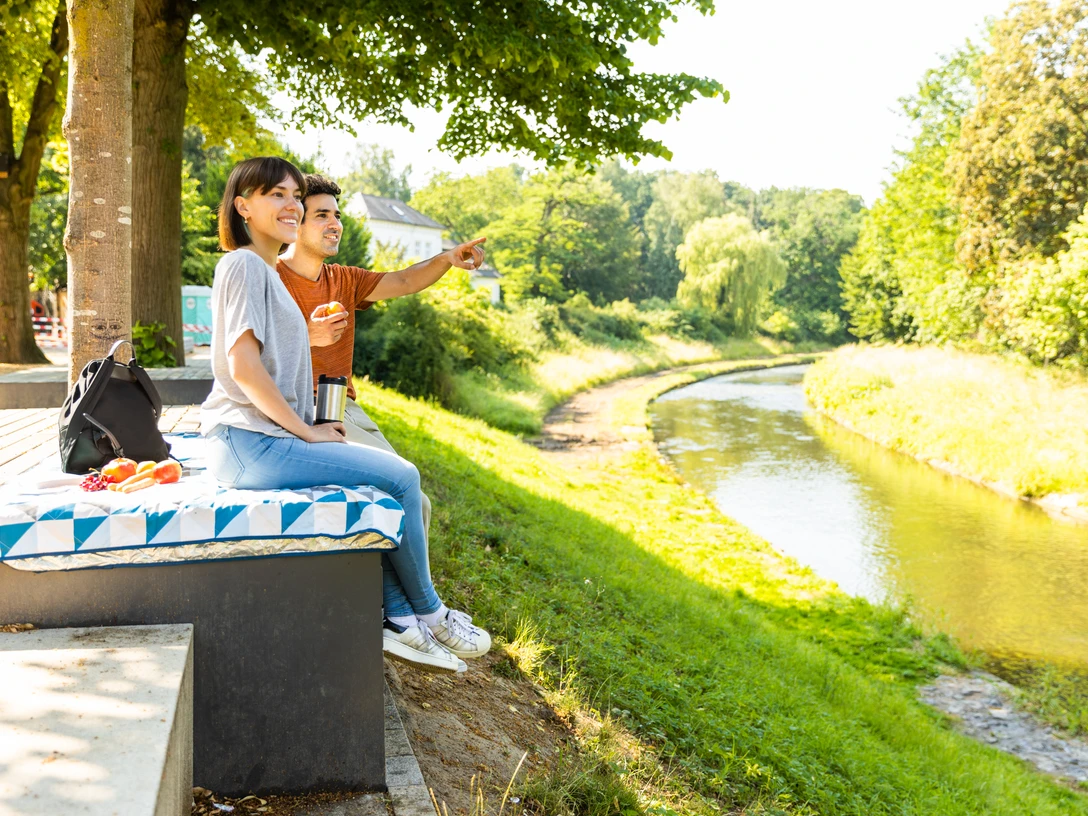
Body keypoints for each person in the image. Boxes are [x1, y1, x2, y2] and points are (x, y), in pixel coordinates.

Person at [200, 156, 490, 674]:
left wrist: (312, 418)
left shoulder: (262, 269)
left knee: (377, 492)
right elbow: (242, 368)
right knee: (402, 478)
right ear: (243, 207)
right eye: (277, 196)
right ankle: (431, 610)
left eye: (295, 196)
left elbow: (266, 354)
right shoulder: (245, 264)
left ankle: (399, 618)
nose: (291, 205)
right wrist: (307, 432)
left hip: (264, 436)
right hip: (249, 440)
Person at [276, 174, 486, 534]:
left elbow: (404, 281)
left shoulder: (345, 279)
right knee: (411, 502)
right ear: (296, 221)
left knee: (411, 498)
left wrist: (448, 258)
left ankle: (399, 591)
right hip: (293, 408)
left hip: (342, 405)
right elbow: (247, 357)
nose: (336, 225)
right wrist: (307, 337)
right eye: (323, 215)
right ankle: (413, 593)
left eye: (337, 216)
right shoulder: (270, 277)